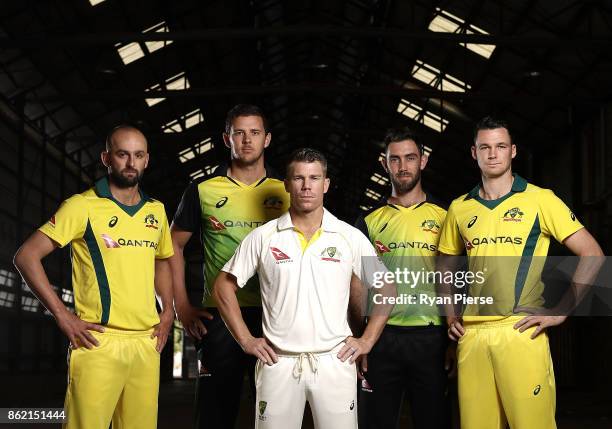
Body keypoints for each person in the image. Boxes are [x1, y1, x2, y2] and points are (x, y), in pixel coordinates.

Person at [437, 116, 603, 429]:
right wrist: (451, 315)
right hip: (472, 337)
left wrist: (562, 311)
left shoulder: (541, 199)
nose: (492, 153)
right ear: (474, 153)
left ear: (512, 151)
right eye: (484, 147)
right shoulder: (460, 207)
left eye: (500, 146)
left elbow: (592, 253)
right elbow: (444, 263)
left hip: (520, 331)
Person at [213, 148, 393, 429]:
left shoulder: (350, 237)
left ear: (326, 184)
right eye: (298, 178)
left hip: (334, 361)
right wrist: (247, 340)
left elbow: (387, 287)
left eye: (314, 178)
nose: (307, 186)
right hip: (278, 364)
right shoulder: (263, 237)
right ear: (286, 184)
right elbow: (223, 286)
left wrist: (367, 341)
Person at [13, 125, 174, 429]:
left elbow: (163, 259)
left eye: (138, 155)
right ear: (106, 158)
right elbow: (26, 256)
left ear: (147, 160)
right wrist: (62, 315)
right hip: (99, 343)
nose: (131, 163)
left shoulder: (157, 211)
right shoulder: (82, 206)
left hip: (146, 343)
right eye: (122, 154)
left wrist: (168, 310)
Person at [169, 104, 290, 428]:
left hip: (275, 317)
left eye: (254, 133)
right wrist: (181, 306)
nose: (247, 140)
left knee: (275, 414)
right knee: (215, 413)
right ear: (227, 139)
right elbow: (171, 248)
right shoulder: (202, 191)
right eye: (239, 133)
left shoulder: (290, 190)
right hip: (221, 317)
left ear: (267, 139)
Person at [356, 127, 452, 429]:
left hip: (432, 339)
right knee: (376, 422)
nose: (403, 166)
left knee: (434, 421)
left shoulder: (447, 216)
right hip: (382, 338)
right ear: (384, 164)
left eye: (410, 158)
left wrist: (456, 341)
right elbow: (357, 285)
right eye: (394, 159)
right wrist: (362, 339)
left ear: (422, 161)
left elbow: (460, 279)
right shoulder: (367, 221)